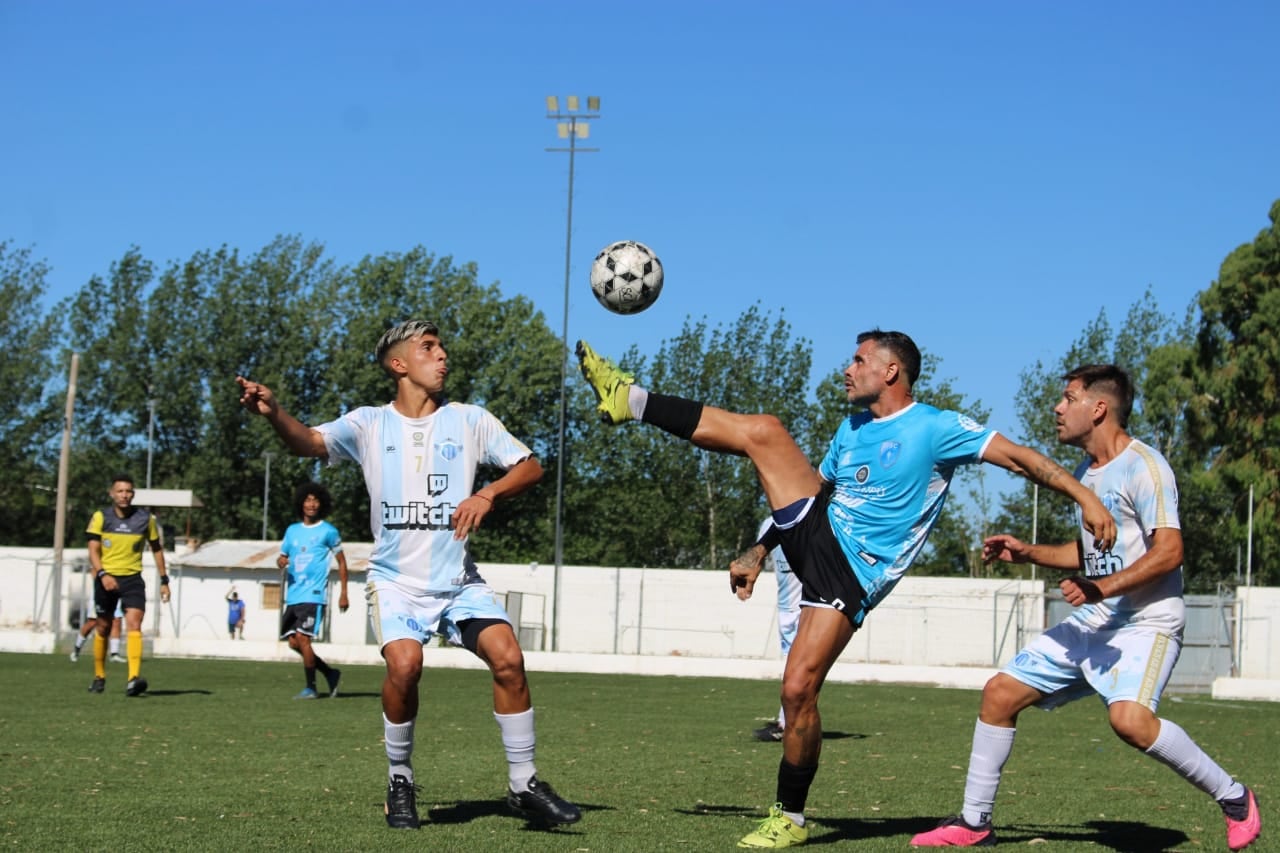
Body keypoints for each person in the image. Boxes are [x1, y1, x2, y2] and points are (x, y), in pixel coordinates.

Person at [576, 331, 1116, 849]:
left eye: (859, 361)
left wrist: (1084, 499)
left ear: (891, 370)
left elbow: (1022, 457)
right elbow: (811, 495)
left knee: (797, 692)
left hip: (854, 573)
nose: (848, 369)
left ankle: (790, 816)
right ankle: (632, 399)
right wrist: (758, 552)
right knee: (764, 431)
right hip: (820, 537)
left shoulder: (934, 427)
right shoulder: (852, 428)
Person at [237, 319, 580, 831]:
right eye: (428, 348)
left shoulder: (470, 420)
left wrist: (487, 493)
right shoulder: (368, 423)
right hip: (396, 581)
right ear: (399, 364)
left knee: (509, 659)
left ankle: (524, 783)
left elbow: (530, 466)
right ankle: (400, 779)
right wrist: (274, 413)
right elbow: (308, 442)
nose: (442, 356)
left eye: (441, 347)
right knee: (405, 664)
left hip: (458, 583)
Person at [911, 365, 1261, 851]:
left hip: (1146, 623)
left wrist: (1103, 588)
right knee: (999, 695)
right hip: (1094, 622)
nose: (1057, 408)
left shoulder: (1146, 467)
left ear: (1098, 408)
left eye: (1068, 398)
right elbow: (1091, 553)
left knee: (1131, 723)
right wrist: (1028, 552)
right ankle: (974, 823)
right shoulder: (1087, 474)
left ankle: (1235, 797)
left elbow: (1169, 552)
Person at [85, 474, 170, 697]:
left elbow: (156, 548)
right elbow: (93, 550)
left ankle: (133, 679)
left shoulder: (145, 519)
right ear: (111, 494)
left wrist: (164, 580)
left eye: (128, 491)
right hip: (106, 578)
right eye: (120, 491)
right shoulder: (101, 517)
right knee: (103, 626)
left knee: (134, 622)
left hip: (132, 579)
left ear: (133, 494)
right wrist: (103, 574)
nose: (124, 495)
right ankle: (99, 676)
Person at [276, 482, 348, 698]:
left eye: (315, 500)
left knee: (303, 638)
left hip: (314, 595)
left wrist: (344, 593)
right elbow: (283, 557)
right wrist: (280, 560)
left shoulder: (328, 531)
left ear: (321, 503)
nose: (312, 504)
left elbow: (342, 562)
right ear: (301, 503)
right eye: (307, 500)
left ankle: (311, 688)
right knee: (293, 642)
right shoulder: (292, 531)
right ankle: (330, 672)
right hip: (294, 595)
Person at [753, 516, 801, 743]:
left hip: (807, 606)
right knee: (792, 667)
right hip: (785, 607)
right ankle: (788, 720)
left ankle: (787, 723)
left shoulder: (807, 516)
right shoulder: (767, 525)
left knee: (797, 669)